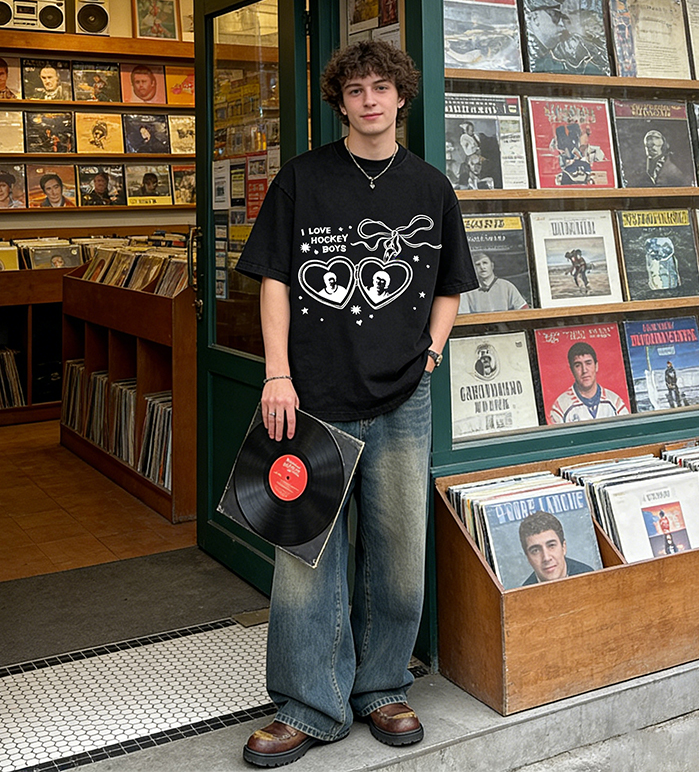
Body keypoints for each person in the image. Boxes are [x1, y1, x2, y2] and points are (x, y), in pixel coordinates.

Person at [235, 40, 477, 767]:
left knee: (400, 554)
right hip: (309, 397)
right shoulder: (302, 181)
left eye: (383, 88)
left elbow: (448, 287)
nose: (370, 100)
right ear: (340, 101)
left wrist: (430, 355)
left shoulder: (431, 189)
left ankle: (381, 687)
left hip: (403, 401)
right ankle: (309, 704)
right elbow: (274, 278)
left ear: (403, 99)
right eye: (357, 89)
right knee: (305, 559)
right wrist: (277, 373)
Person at [549, 341, 629, 423]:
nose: (584, 370)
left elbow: (627, 432)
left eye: (588, 363)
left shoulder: (615, 402)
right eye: (578, 365)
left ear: (596, 366)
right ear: (571, 370)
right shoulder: (560, 407)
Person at [519, 511, 594, 585]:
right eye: (536, 551)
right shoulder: (522, 594)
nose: (546, 558)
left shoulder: (590, 577)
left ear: (563, 547)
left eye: (551, 545)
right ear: (528, 558)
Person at [459, 252, 528, 313]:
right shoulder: (468, 291)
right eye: (478, 264)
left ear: (492, 266)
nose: (482, 267)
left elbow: (523, 310)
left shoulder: (507, 286)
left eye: (485, 263)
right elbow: (464, 316)